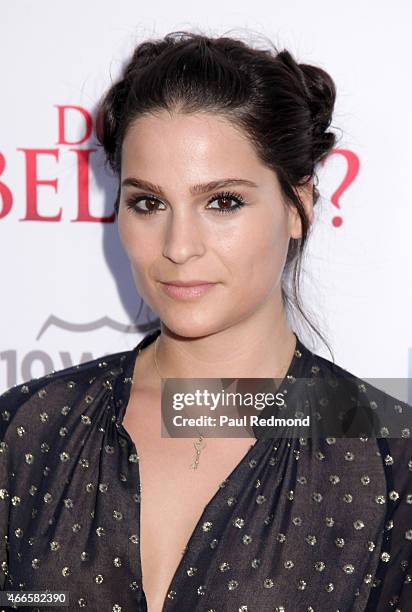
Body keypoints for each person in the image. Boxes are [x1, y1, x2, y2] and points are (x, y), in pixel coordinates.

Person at [1, 30, 411, 612]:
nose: (178, 246)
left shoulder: (387, 461)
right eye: (149, 202)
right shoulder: (27, 433)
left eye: (222, 202)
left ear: (300, 203)